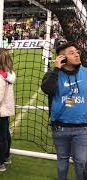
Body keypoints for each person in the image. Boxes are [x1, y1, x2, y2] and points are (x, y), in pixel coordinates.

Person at [41, 42, 87, 180]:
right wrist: (56, 69)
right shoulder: (53, 74)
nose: (77, 54)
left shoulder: (86, 73)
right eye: (71, 53)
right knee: (62, 162)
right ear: (62, 57)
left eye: (77, 52)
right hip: (60, 128)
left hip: (82, 128)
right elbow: (47, 89)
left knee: (81, 162)